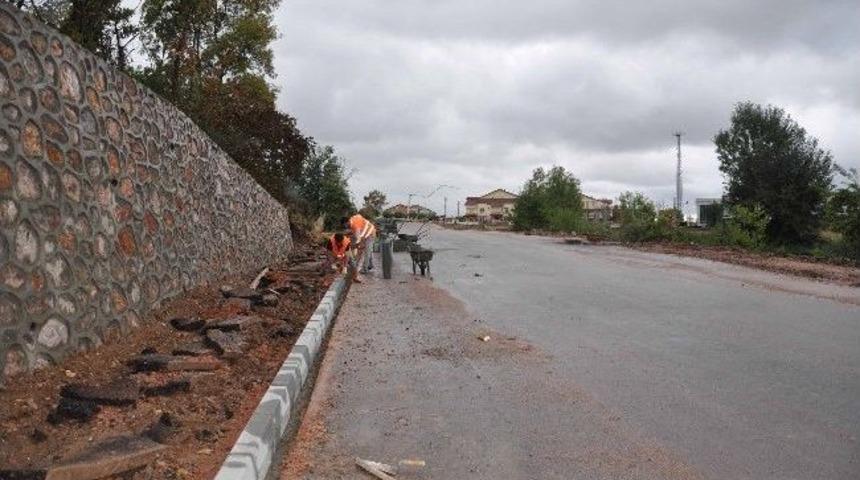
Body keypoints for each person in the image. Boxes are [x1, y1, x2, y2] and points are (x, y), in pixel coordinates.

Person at [342, 213, 377, 282]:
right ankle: (370, 265)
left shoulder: (355, 225)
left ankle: (364, 269)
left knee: (366, 251)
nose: (345, 227)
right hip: (367, 232)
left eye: (345, 225)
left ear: (347, 222)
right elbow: (359, 216)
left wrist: (354, 250)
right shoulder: (352, 221)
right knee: (369, 251)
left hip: (370, 234)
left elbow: (358, 241)